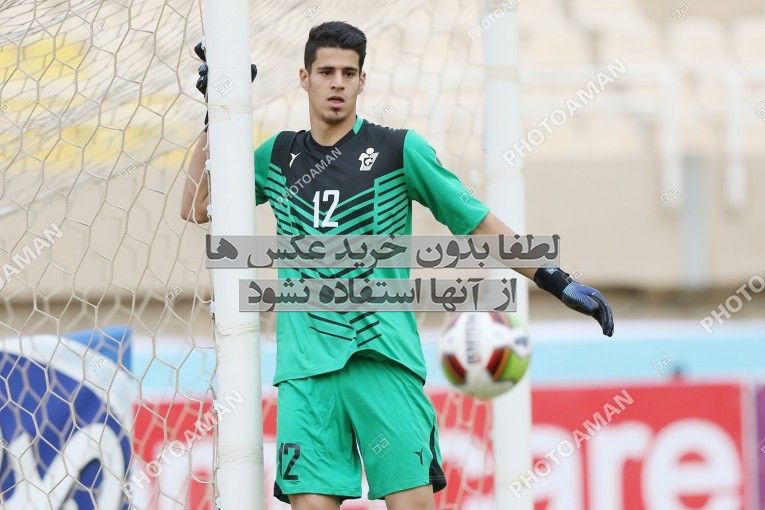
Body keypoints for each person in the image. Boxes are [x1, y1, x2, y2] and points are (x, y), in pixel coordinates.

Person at [181, 21, 614, 510]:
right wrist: (214, 117)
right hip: (306, 372)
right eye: (326, 72)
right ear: (305, 78)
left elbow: (476, 222)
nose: (337, 83)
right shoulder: (278, 156)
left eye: (349, 73)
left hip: (384, 360)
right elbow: (196, 206)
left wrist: (555, 279)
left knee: (412, 504)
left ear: (362, 81)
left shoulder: (398, 150)